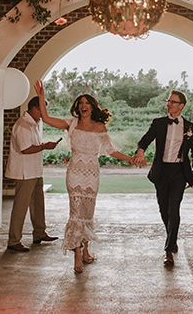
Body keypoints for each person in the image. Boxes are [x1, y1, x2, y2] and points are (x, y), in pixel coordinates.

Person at [34, 80, 135, 273]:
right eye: (80, 104)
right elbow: (46, 119)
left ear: (92, 107)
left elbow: (111, 150)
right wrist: (41, 96)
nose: (83, 106)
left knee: (87, 214)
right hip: (74, 173)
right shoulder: (70, 124)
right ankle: (77, 253)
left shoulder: (99, 127)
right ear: (77, 108)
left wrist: (130, 158)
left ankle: (87, 249)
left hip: (92, 173)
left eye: (86, 104)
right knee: (76, 213)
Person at [134, 90, 193, 267]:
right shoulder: (159, 123)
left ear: (181, 106)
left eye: (172, 102)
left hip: (179, 171)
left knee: (174, 208)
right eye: (168, 101)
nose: (168, 104)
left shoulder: (190, 127)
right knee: (164, 209)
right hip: (161, 171)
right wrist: (140, 150)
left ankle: (168, 250)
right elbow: (146, 139)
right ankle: (172, 236)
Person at [6, 96, 60, 252]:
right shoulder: (23, 125)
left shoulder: (32, 124)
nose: (44, 114)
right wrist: (45, 146)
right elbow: (25, 149)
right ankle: (13, 240)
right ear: (35, 109)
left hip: (35, 171)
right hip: (25, 172)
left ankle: (39, 233)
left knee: (38, 203)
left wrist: (43, 146)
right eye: (42, 110)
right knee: (20, 207)